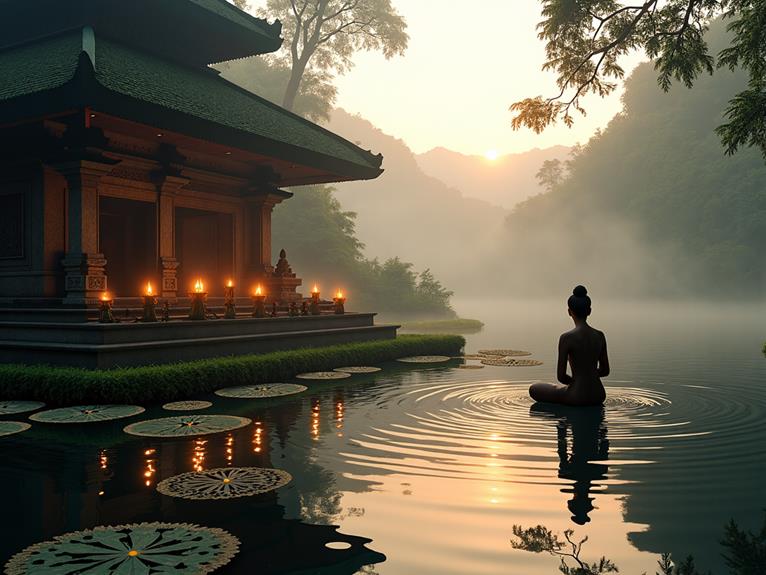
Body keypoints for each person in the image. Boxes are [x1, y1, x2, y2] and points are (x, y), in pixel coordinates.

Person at [529, 285, 609, 406]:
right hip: (598, 394)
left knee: (534, 388)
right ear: (589, 311)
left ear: (569, 312)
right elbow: (605, 371)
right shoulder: (600, 336)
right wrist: (588, 376)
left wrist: (578, 381)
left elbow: (561, 377)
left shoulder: (567, 338)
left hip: (576, 396)